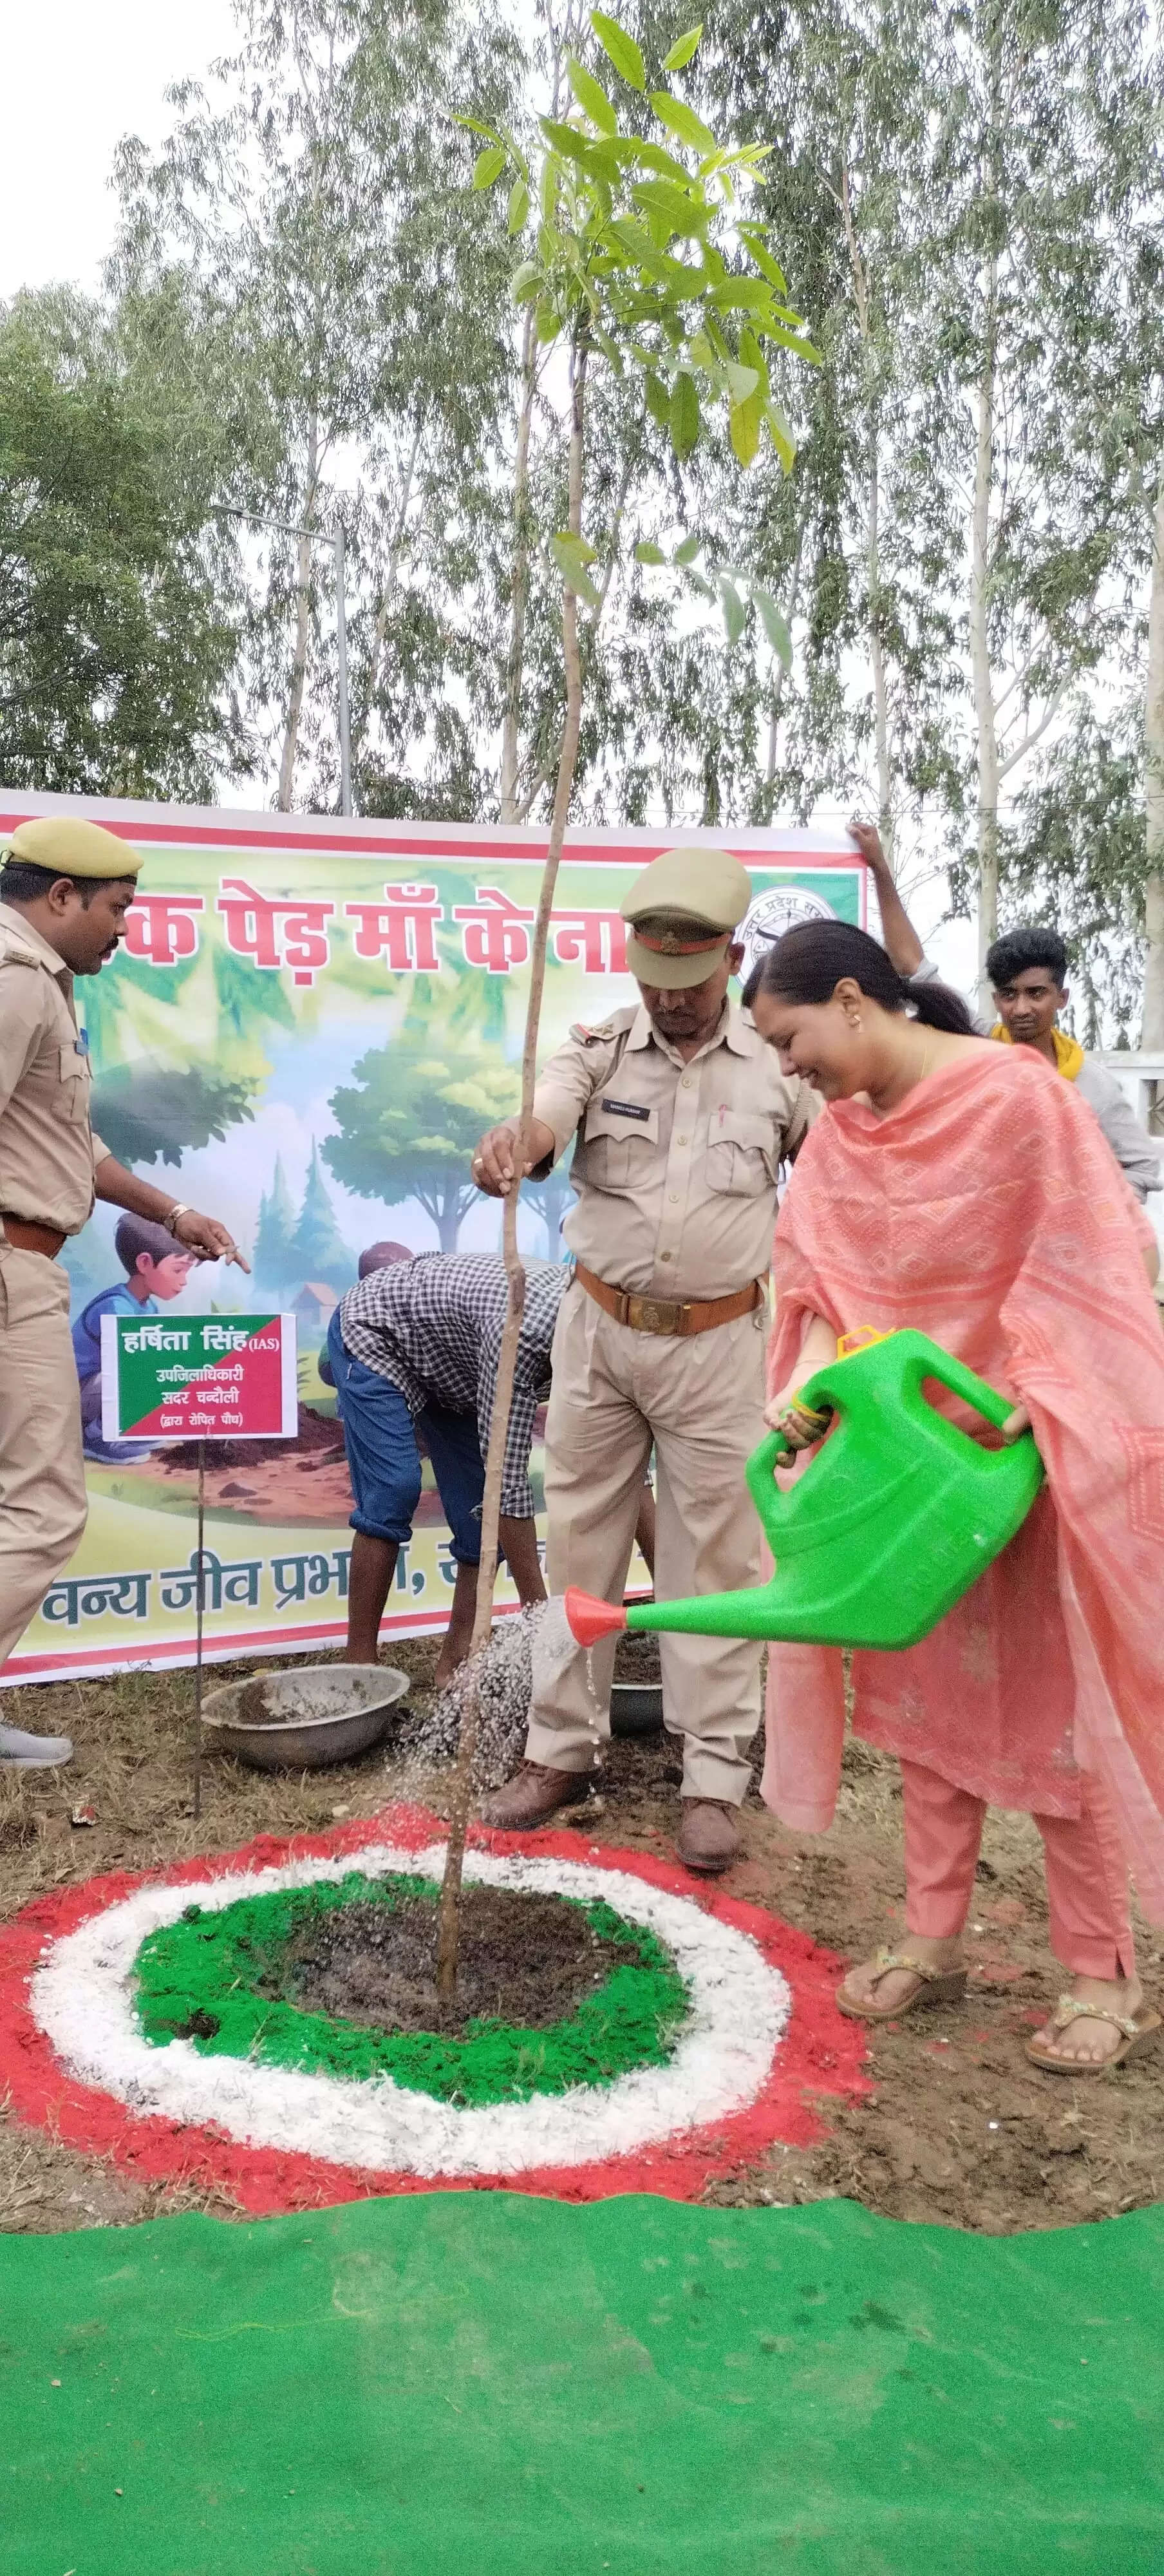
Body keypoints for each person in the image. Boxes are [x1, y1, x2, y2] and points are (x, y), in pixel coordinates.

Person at [745, 915, 1164, 2073]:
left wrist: (1044, 1384)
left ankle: (1100, 1974)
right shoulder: (834, 1140)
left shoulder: (1017, 1099)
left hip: (1016, 1466)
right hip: (897, 1476)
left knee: (1055, 1732)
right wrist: (813, 1382)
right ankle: (932, 1941)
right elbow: (814, 1285)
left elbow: (1094, 1259)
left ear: (846, 999)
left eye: (790, 1041)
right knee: (922, 1715)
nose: (792, 1069)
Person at [474, 845, 818, 1874]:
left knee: (716, 1562)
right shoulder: (599, 1045)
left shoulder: (779, 1071)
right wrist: (517, 1142)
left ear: (732, 958)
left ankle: (713, 1775)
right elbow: (545, 1116)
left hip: (722, 1345)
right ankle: (558, 1752)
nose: (669, 1003)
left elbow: (842, 1190)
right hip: (600, 1336)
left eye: (691, 983)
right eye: (653, 981)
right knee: (581, 1539)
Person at [0, 815, 246, 1768]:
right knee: (48, 1505)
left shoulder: (43, 987)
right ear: (61, 896)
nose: (124, 931)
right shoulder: (17, 983)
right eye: (117, 910)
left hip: (28, 1255)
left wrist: (172, 1209)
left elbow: (73, 1145)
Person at [852, 820, 1163, 1208]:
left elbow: (1141, 1166)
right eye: (1009, 995)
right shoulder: (975, 1042)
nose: (1022, 1009)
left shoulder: (1090, 1084)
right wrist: (880, 868)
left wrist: (1092, 1211)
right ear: (996, 999)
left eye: (1036, 994)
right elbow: (912, 964)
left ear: (1061, 997)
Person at [71, 1213, 195, 1462]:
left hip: (103, 1388)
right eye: (178, 1270)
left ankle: (126, 1431)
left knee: (156, 1371)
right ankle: (96, 1437)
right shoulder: (115, 1306)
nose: (183, 1282)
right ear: (145, 1263)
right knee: (133, 1374)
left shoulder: (148, 1307)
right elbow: (129, 1365)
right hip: (78, 1393)